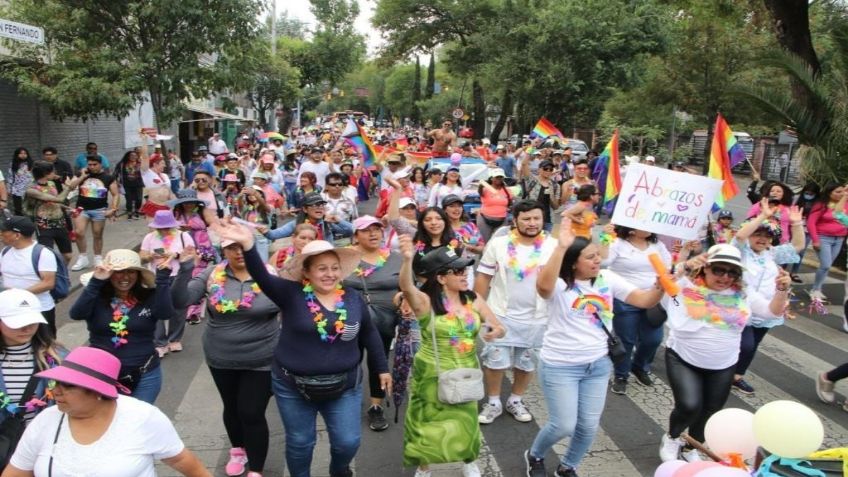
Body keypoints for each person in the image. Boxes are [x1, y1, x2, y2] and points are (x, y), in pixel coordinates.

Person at [209, 220, 390, 477]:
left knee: (347, 442)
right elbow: (261, 275)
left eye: (334, 268)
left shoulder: (352, 298)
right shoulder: (290, 293)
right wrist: (249, 245)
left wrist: (382, 367)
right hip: (293, 386)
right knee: (300, 443)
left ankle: (340, 471)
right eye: (322, 268)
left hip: (344, 385)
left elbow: (369, 332)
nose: (329, 274)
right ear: (307, 272)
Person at [524, 217, 663, 477]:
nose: (597, 260)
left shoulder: (607, 278)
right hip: (560, 366)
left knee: (588, 426)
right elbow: (543, 287)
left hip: (598, 365)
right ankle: (535, 455)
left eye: (597, 255)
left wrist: (660, 287)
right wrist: (561, 247)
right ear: (573, 262)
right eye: (590, 257)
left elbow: (644, 300)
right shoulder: (559, 283)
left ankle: (568, 466)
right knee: (563, 425)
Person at [658, 244, 790, 462]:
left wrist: (782, 290)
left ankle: (693, 445)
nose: (725, 277)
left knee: (711, 409)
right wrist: (685, 265)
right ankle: (672, 437)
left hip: (723, 364)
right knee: (689, 405)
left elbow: (771, 311)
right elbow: (664, 280)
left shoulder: (743, 293)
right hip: (683, 358)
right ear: (705, 269)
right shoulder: (685, 286)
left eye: (732, 272)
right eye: (719, 269)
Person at [5, 346, 211, 477]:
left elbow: (184, 462)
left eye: (67, 386)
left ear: (97, 392)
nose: (54, 391)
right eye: (55, 383)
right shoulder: (45, 421)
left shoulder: (143, 417)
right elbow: (17, 471)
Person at [397, 236, 505, 477]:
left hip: (466, 369)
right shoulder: (425, 302)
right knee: (427, 423)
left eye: (464, 268)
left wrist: (494, 331)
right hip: (431, 371)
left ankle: (468, 461)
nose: (464, 273)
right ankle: (425, 469)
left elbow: (498, 326)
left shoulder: (473, 299)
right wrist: (406, 260)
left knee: (466, 419)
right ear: (441, 277)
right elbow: (406, 287)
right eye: (456, 271)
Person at [172, 240, 280, 477]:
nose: (239, 252)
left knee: (251, 412)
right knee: (231, 407)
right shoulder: (212, 274)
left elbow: (291, 306)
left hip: (262, 358)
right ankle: (238, 450)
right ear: (224, 251)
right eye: (232, 247)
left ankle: (257, 470)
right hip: (221, 357)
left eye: (243, 246)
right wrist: (185, 268)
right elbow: (181, 300)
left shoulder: (270, 276)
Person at [475, 201, 556, 425]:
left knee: (526, 362)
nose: (532, 223)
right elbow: (483, 277)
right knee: (495, 361)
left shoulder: (554, 245)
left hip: (538, 317)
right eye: (526, 219)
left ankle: (515, 399)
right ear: (515, 220)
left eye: (536, 219)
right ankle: (493, 402)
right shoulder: (499, 244)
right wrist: (476, 311)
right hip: (500, 314)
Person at [71, 250, 174, 404]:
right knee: (106, 422)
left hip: (145, 374)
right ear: (110, 274)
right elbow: (76, 314)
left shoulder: (149, 296)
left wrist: (163, 280)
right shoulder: (95, 296)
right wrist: (96, 281)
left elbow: (165, 313)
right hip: (102, 373)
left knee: (138, 423)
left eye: (131, 271)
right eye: (119, 272)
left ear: (138, 275)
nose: (125, 277)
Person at [730, 201, 804, 395]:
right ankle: (719, 370)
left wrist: (796, 224)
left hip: (766, 307)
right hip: (739, 305)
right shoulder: (740, 250)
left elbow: (798, 245)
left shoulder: (772, 254)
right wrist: (762, 216)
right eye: (758, 234)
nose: (762, 239)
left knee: (753, 344)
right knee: (745, 344)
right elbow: (740, 235)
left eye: (767, 236)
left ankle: (737, 376)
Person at [343, 216, 403, 432]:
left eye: (377, 229)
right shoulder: (344, 258)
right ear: (355, 235)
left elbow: (408, 284)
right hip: (350, 319)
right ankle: (345, 404)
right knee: (350, 361)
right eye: (366, 230)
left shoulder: (395, 258)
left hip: (384, 320)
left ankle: (375, 406)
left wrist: (404, 295)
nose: (373, 233)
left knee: (379, 361)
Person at [602, 225, 672, 395]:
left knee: (653, 339)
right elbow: (603, 263)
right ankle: (621, 375)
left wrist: (684, 252)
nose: (649, 226)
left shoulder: (657, 245)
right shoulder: (617, 244)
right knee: (626, 340)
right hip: (626, 300)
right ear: (631, 229)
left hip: (652, 300)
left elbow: (668, 266)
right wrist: (605, 238)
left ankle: (640, 366)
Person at [0, 288, 65, 425]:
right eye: (18, 323)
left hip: (43, 437)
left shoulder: (57, 357)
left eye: (32, 321)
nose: (27, 328)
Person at [139, 210, 195, 357]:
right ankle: (160, 342)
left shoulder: (183, 236)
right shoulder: (149, 237)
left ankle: (174, 338)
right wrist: (151, 255)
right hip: (156, 276)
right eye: (160, 227)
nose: (163, 230)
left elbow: (192, 254)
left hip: (178, 275)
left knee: (178, 307)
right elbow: (142, 256)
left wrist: (175, 255)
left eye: (167, 227)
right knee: (156, 309)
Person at [0, 217, 58, 337]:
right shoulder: (5, 251)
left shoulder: (43, 253)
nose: (1, 234)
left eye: (4, 231)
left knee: (44, 345)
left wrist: (17, 295)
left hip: (39, 310)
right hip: (11, 310)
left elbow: (48, 283)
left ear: (17, 235)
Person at [169, 190, 215, 325]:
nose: (188, 204)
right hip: (183, 248)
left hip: (201, 247)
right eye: (185, 202)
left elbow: (213, 223)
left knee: (197, 278)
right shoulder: (175, 213)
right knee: (183, 278)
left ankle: (194, 312)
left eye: (191, 202)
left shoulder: (202, 211)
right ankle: (183, 307)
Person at [24, 161, 82, 264]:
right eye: (52, 172)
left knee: (68, 255)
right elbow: (59, 199)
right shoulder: (32, 190)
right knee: (47, 256)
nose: (55, 174)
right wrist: (68, 187)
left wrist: (68, 208)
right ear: (46, 173)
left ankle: (60, 273)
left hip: (60, 223)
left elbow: (53, 201)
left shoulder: (51, 184)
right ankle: (51, 276)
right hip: (44, 226)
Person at [70, 155, 120, 271]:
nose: (92, 167)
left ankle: (98, 257)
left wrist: (113, 209)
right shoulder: (82, 174)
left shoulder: (108, 177)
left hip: (99, 209)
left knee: (97, 234)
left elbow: (115, 194)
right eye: (89, 164)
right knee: (78, 232)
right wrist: (82, 176)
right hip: (82, 208)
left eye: (94, 164)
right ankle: (83, 257)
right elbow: (71, 187)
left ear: (100, 164)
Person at [806, 184, 848, 301]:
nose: (841, 194)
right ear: (830, 193)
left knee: (826, 267)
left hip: (839, 239)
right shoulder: (821, 205)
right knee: (826, 264)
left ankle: (818, 289)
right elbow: (811, 223)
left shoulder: (845, 205)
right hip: (823, 238)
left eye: (842, 192)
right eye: (838, 192)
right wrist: (815, 240)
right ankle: (815, 290)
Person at [789, 182, 821, 283]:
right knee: (788, 249)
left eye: (811, 194)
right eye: (807, 193)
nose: (808, 195)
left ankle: (794, 272)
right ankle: (781, 268)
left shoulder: (818, 203)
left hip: (807, 230)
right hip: (793, 227)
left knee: (801, 252)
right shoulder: (797, 199)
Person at [519, 159, 561, 233]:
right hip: (530, 218)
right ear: (539, 169)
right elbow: (524, 163)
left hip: (548, 220)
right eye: (545, 169)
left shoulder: (555, 185)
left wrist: (551, 196)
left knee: (547, 243)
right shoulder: (532, 180)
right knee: (530, 241)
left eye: (550, 169)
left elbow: (556, 207)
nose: (548, 171)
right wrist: (531, 148)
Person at [139, 137, 176, 219]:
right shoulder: (147, 173)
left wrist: (175, 204)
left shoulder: (165, 176)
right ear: (155, 164)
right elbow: (145, 156)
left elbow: (170, 192)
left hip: (167, 206)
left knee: (168, 230)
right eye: (163, 163)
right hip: (153, 207)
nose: (165, 165)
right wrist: (144, 139)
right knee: (155, 231)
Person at [476, 168, 512, 242]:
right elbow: (480, 188)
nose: (499, 179)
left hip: (502, 220)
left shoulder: (507, 190)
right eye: (497, 177)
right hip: (485, 219)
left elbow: (510, 202)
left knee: (499, 242)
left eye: (501, 177)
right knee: (485, 242)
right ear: (492, 178)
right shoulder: (485, 189)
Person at [114, 150, 144, 220]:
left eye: (135, 156)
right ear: (128, 157)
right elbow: (115, 173)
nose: (133, 157)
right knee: (129, 200)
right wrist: (117, 182)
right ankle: (129, 213)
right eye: (131, 156)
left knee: (139, 199)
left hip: (138, 184)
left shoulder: (140, 163)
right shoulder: (122, 164)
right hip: (126, 185)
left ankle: (136, 211)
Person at [9, 148, 34, 216]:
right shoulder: (13, 164)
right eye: (21, 153)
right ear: (17, 155)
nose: (23, 155)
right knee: (18, 209)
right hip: (17, 190)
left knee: (30, 208)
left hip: (29, 189)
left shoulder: (31, 164)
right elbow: (11, 177)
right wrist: (9, 189)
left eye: (25, 153)